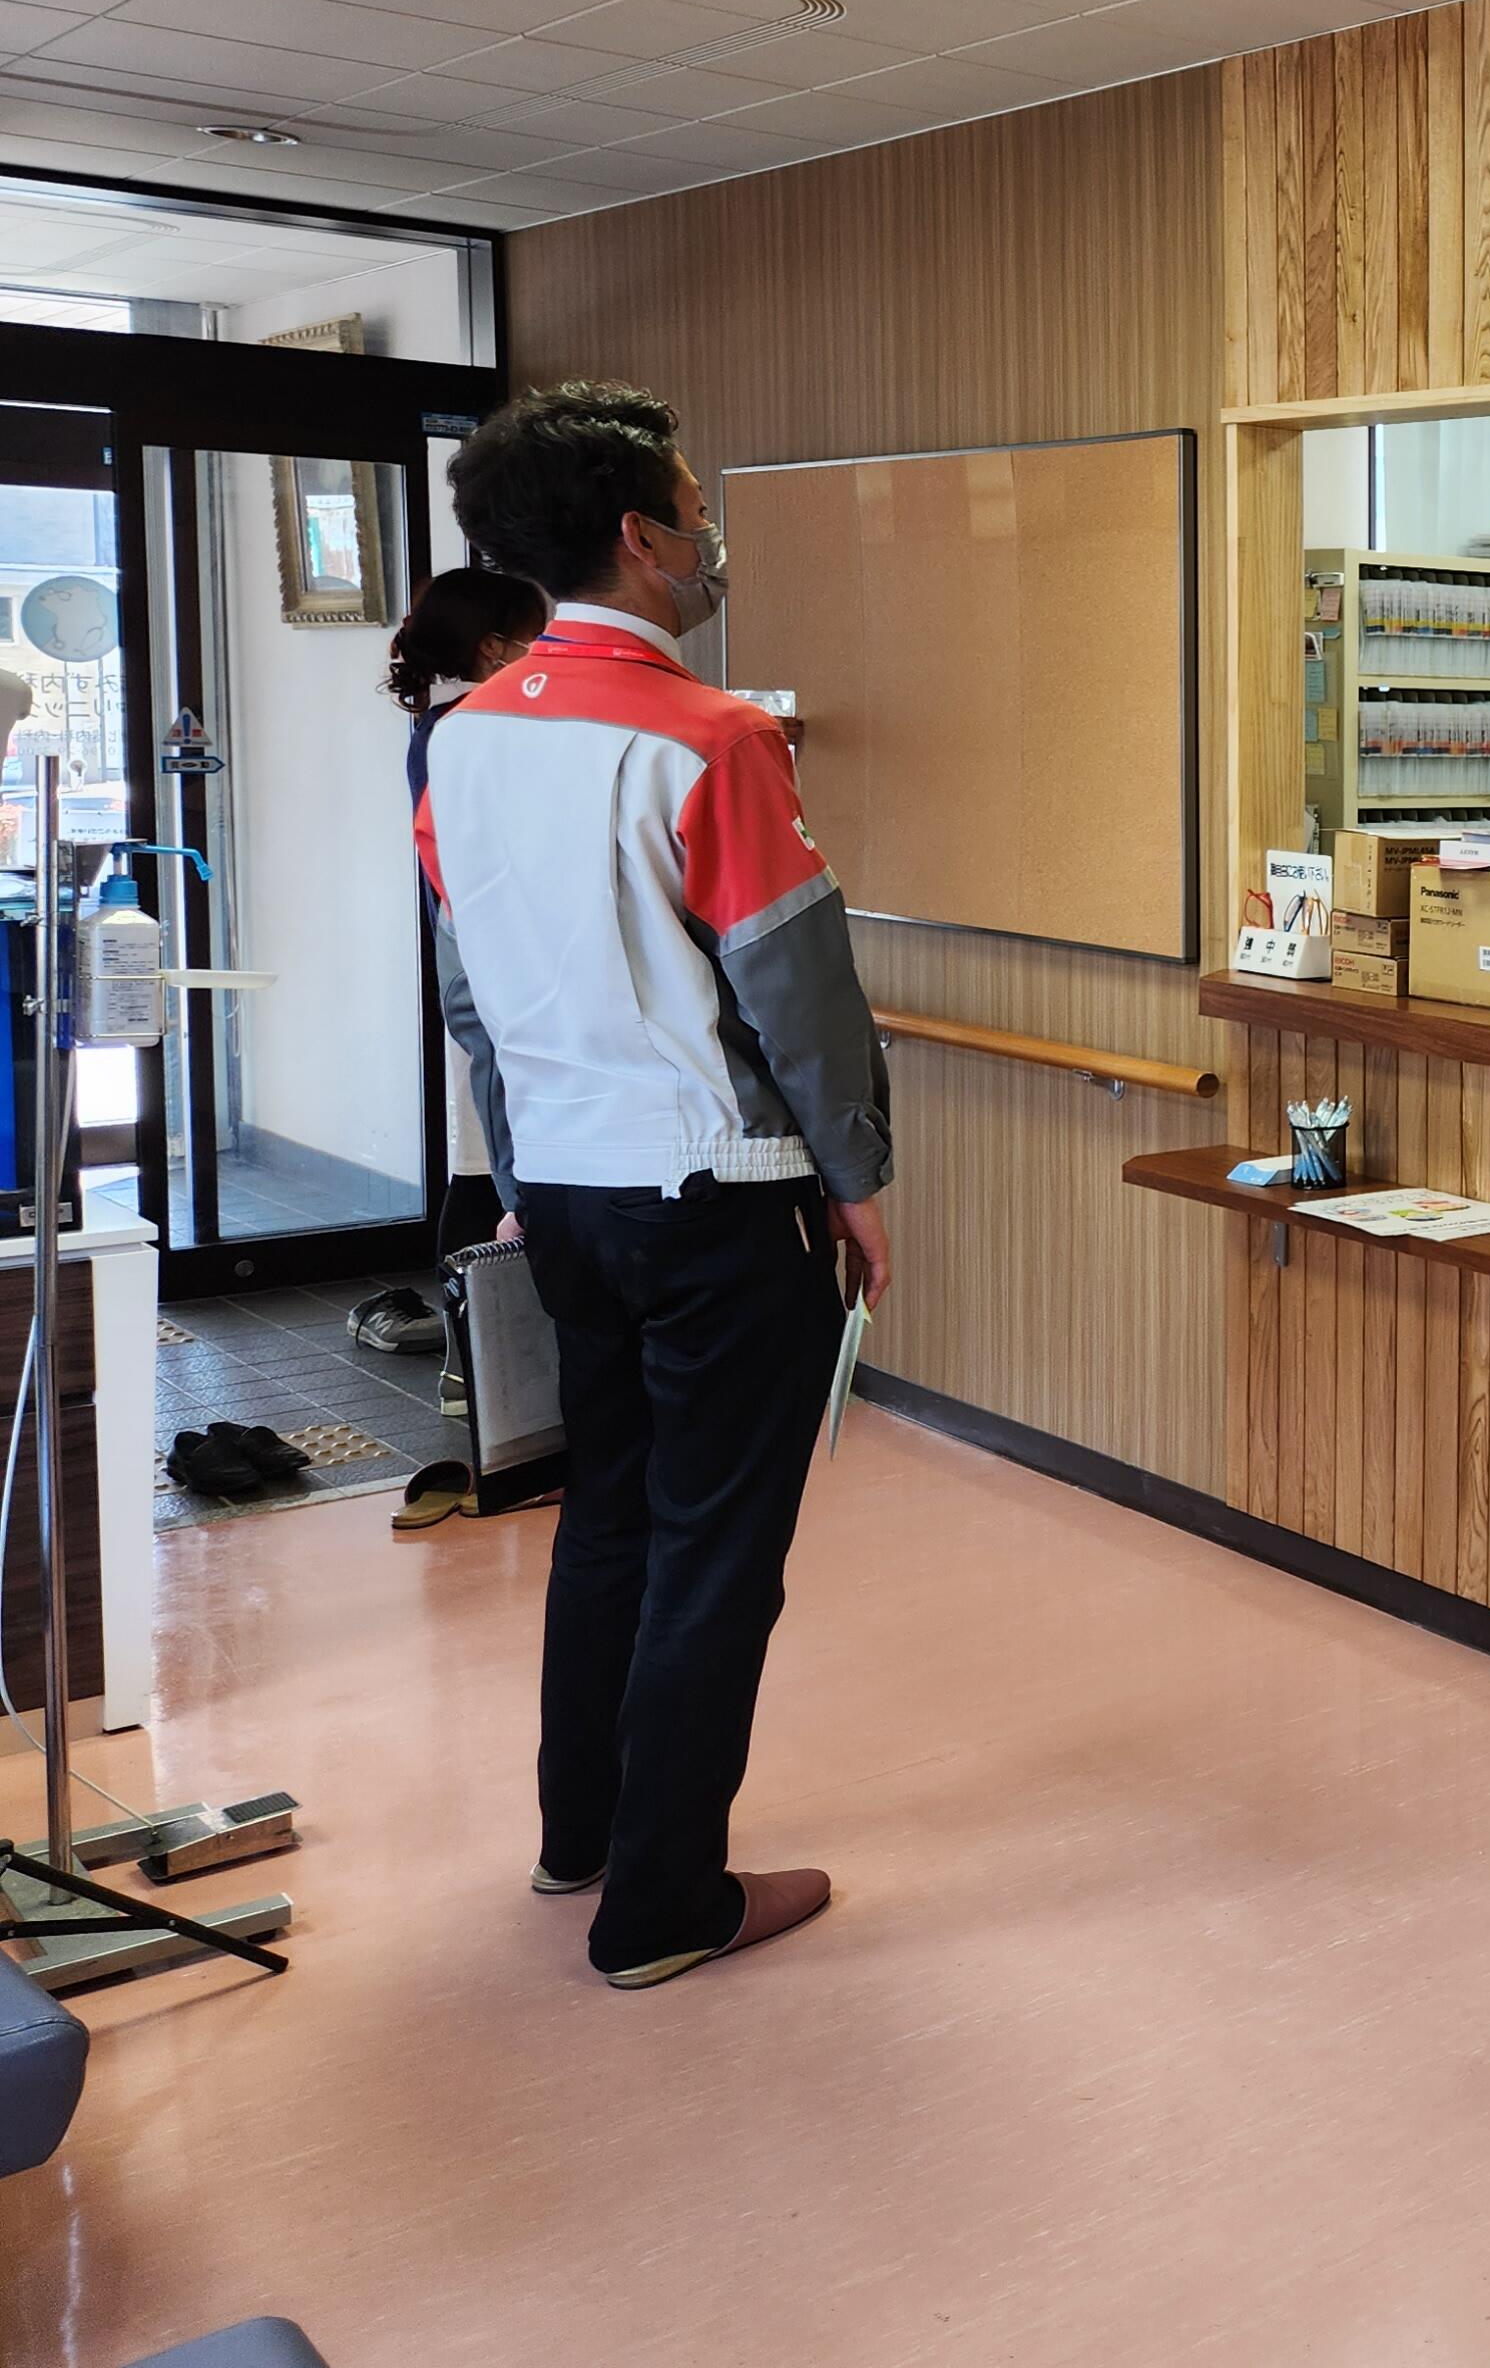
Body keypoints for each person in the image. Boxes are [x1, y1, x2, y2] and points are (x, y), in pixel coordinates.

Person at [417, 381, 891, 1992]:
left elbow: (471, 999)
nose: (709, 539)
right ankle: (665, 1903)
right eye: (695, 512)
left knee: (610, 1511)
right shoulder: (713, 734)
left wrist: (520, 1170)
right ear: (638, 535)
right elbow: (797, 993)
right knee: (717, 1547)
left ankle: (584, 1836)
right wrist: (859, 1182)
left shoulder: (466, 741)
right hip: (718, 1191)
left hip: (562, 1194)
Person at [388, 565, 549, 808]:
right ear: (492, 647)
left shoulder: (447, 722)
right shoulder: (474, 724)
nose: (543, 648)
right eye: (536, 637)